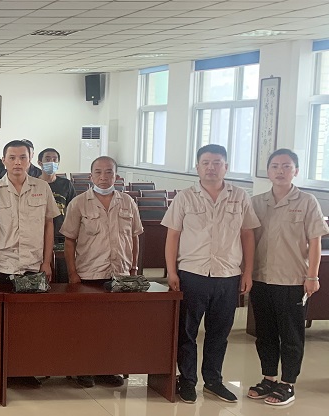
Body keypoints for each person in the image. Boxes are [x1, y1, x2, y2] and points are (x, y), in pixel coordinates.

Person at [162, 144, 260, 404]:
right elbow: (173, 236)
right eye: (205, 163)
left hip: (227, 275)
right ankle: (187, 380)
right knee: (187, 331)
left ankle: (213, 380)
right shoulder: (185, 197)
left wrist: (247, 271)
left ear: (226, 167)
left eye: (217, 163)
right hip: (192, 273)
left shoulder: (240, 197)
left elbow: (247, 235)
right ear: (197, 167)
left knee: (219, 332)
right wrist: (171, 271)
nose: (211, 168)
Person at [247, 149, 328, 406]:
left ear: (296, 171)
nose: (280, 171)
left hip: (292, 279)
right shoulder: (256, 202)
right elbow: (248, 241)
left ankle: (288, 383)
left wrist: (312, 276)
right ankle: (268, 378)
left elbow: (315, 242)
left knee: (291, 335)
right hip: (261, 278)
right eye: (275, 166)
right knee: (265, 333)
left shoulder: (307, 201)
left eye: (286, 166)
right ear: (268, 171)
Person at [59, 156, 142, 388]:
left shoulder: (127, 202)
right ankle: (83, 369)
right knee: (87, 326)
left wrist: (133, 268)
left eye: (108, 172)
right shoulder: (79, 203)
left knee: (113, 326)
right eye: (98, 172)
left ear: (116, 175)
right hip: (89, 273)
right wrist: (72, 273)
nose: (103, 177)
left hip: (120, 274)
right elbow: (69, 241)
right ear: (91, 175)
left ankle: (107, 368)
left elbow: (135, 237)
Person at [0, 140, 58, 284]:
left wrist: (47, 262)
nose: (17, 162)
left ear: (30, 160)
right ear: (3, 160)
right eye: (12, 158)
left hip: (35, 264)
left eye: (22, 157)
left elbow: (49, 225)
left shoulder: (43, 187)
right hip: (4, 265)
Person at [37, 147, 76, 281]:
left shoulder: (66, 184)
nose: (51, 162)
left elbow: (72, 210)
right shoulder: (34, 184)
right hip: (38, 236)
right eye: (48, 159)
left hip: (61, 236)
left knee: (61, 276)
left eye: (55, 159)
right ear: (40, 163)